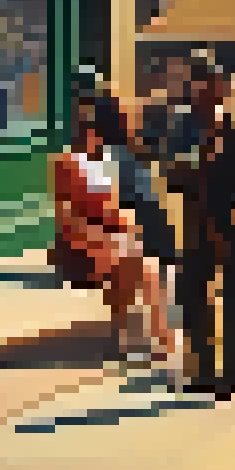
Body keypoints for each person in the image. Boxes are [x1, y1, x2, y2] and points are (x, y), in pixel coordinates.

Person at [52, 99, 178, 369]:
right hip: (85, 240)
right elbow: (68, 217)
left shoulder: (109, 162)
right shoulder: (69, 163)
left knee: (149, 269)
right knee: (131, 264)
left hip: (116, 236)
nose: (94, 138)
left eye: (96, 133)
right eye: (88, 132)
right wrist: (108, 231)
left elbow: (122, 205)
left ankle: (150, 338)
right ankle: (145, 338)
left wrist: (127, 226)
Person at [182, 61, 235, 398]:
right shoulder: (186, 128)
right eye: (198, 87)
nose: (204, 94)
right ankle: (203, 370)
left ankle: (234, 372)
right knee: (194, 299)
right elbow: (166, 166)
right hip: (198, 226)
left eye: (211, 87)